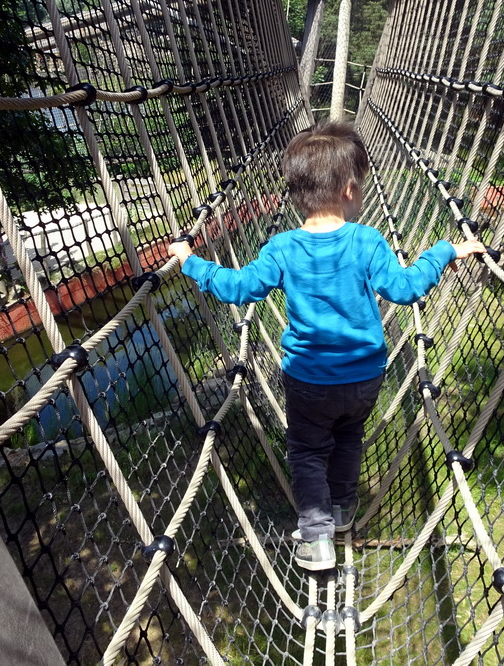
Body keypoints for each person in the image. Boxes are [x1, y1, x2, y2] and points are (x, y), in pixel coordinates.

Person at [168, 120, 486, 571]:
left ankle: (316, 537)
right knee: (349, 436)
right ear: (351, 190)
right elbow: (406, 287)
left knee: (307, 450)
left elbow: (237, 287)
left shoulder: (282, 247)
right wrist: (444, 251)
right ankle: (341, 509)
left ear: (296, 194)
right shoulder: (368, 241)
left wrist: (189, 262)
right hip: (364, 378)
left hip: (308, 379)